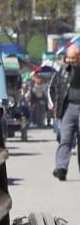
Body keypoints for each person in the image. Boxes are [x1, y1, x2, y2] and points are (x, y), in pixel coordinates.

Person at [49, 43, 80, 181]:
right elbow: (53, 88)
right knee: (65, 138)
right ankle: (61, 167)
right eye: (69, 58)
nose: (70, 61)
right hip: (68, 108)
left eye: (73, 58)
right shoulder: (62, 71)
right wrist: (54, 108)